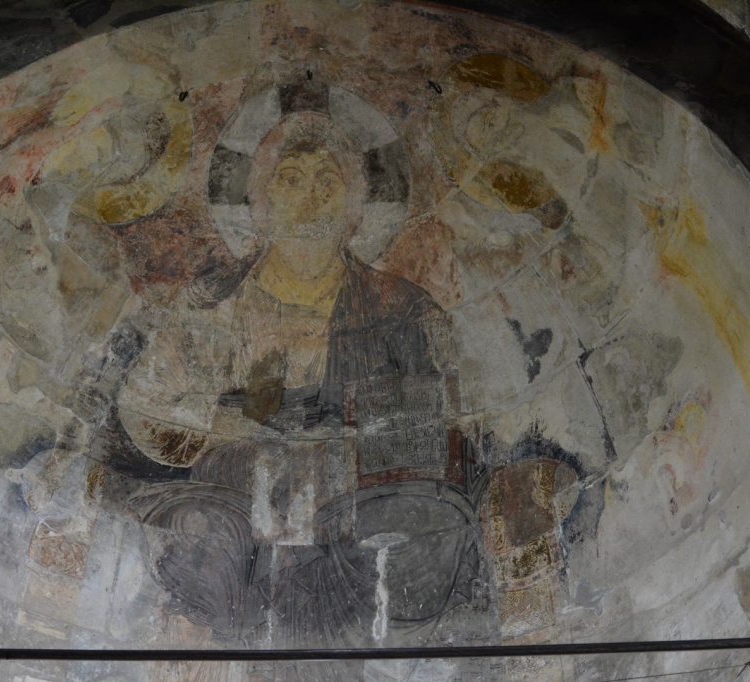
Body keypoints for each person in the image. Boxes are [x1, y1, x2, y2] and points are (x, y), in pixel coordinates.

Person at [113, 112, 484, 662]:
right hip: (235, 494)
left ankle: (381, 667)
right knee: (196, 534)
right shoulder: (214, 302)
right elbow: (144, 407)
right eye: (289, 180)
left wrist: (349, 440)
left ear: (354, 206)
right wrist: (234, 420)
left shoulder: (401, 307)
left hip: (362, 496)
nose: (309, 198)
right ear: (260, 201)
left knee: (428, 527)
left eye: (327, 182)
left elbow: (450, 422)